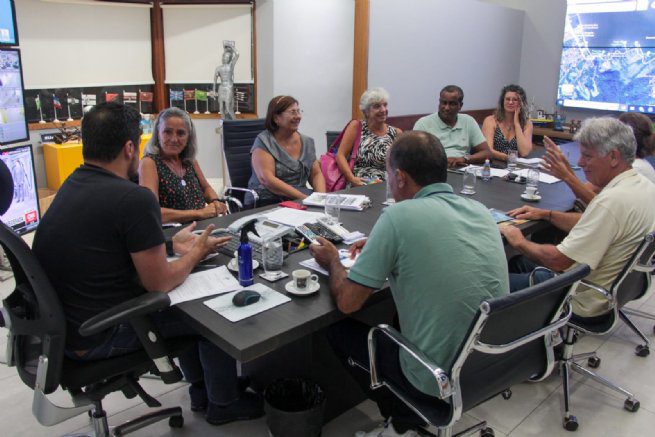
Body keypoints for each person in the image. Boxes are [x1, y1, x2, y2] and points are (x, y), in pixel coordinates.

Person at [32, 102, 263, 425]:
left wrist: (169, 244)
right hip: (99, 334)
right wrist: (196, 251)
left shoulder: (73, 184)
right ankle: (223, 403)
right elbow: (160, 283)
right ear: (130, 148)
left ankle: (202, 391)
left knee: (188, 305)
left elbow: (109, 242)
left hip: (66, 331)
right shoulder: (133, 198)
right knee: (212, 313)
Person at [310, 131, 508, 437]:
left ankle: (403, 424)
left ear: (400, 177)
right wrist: (382, 245)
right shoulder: (479, 210)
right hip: (494, 363)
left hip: (437, 379)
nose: (388, 181)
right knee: (398, 316)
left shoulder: (398, 216)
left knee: (339, 331)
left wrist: (334, 261)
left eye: (388, 174)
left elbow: (348, 302)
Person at [501, 117, 655, 318]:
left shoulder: (611, 201)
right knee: (518, 263)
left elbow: (558, 261)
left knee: (492, 281)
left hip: (582, 299)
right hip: (617, 289)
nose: (581, 163)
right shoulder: (643, 186)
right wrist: (548, 215)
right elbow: (592, 223)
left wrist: (519, 241)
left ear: (613, 157)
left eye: (587, 156)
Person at [542, 112, 655, 206]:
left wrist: (567, 175)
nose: (580, 162)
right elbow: (585, 191)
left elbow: (599, 206)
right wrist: (565, 167)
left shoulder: (633, 169)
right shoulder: (636, 165)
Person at [140, 107, 228, 223]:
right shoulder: (149, 163)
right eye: (167, 132)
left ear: (188, 138)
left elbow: (206, 188)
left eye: (181, 133)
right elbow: (151, 211)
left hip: (202, 227)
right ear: (158, 134)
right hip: (175, 232)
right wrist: (199, 213)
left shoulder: (189, 161)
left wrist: (215, 202)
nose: (174, 139)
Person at [247, 95, 326, 206]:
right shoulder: (264, 142)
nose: (298, 116)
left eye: (298, 111)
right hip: (266, 198)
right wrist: (305, 199)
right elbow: (267, 180)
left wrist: (321, 198)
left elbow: (316, 174)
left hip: (299, 198)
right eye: (292, 112)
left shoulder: (307, 142)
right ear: (276, 118)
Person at [335, 87, 402, 186]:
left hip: (385, 187)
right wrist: (351, 178)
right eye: (377, 106)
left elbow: (401, 165)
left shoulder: (396, 133)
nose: (383, 110)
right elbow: (340, 156)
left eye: (385, 105)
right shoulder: (356, 126)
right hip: (357, 185)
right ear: (366, 111)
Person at [413, 85, 491, 167]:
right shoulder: (423, 124)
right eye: (444, 103)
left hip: (463, 168)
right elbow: (413, 156)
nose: (446, 108)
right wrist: (440, 161)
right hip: (435, 169)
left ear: (460, 106)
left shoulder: (468, 121)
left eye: (452, 104)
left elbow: (487, 153)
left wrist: (464, 159)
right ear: (439, 103)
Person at [481, 84, 533, 161]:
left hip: (516, 165)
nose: (510, 102)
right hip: (494, 164)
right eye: (507, 99)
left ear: (521, 103)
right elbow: (488, 150)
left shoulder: (527, 124)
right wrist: (508, 158)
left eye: (515, 100)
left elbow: (524, 152)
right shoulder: (490, 121)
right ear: (502, 101)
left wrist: (517, 124)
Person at [213, 41, 239, 120]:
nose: (225, 58)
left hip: (228, 87)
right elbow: (215, 81)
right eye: (224, 57)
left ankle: (235, 123)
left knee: (228, 107)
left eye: (227, 57)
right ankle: (223, 124)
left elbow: (237, 54)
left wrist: (231, 46)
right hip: (221, 87)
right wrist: (214, 91)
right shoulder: (218, 68)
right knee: (221, 108)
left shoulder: (231, 65)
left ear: (229, 58)